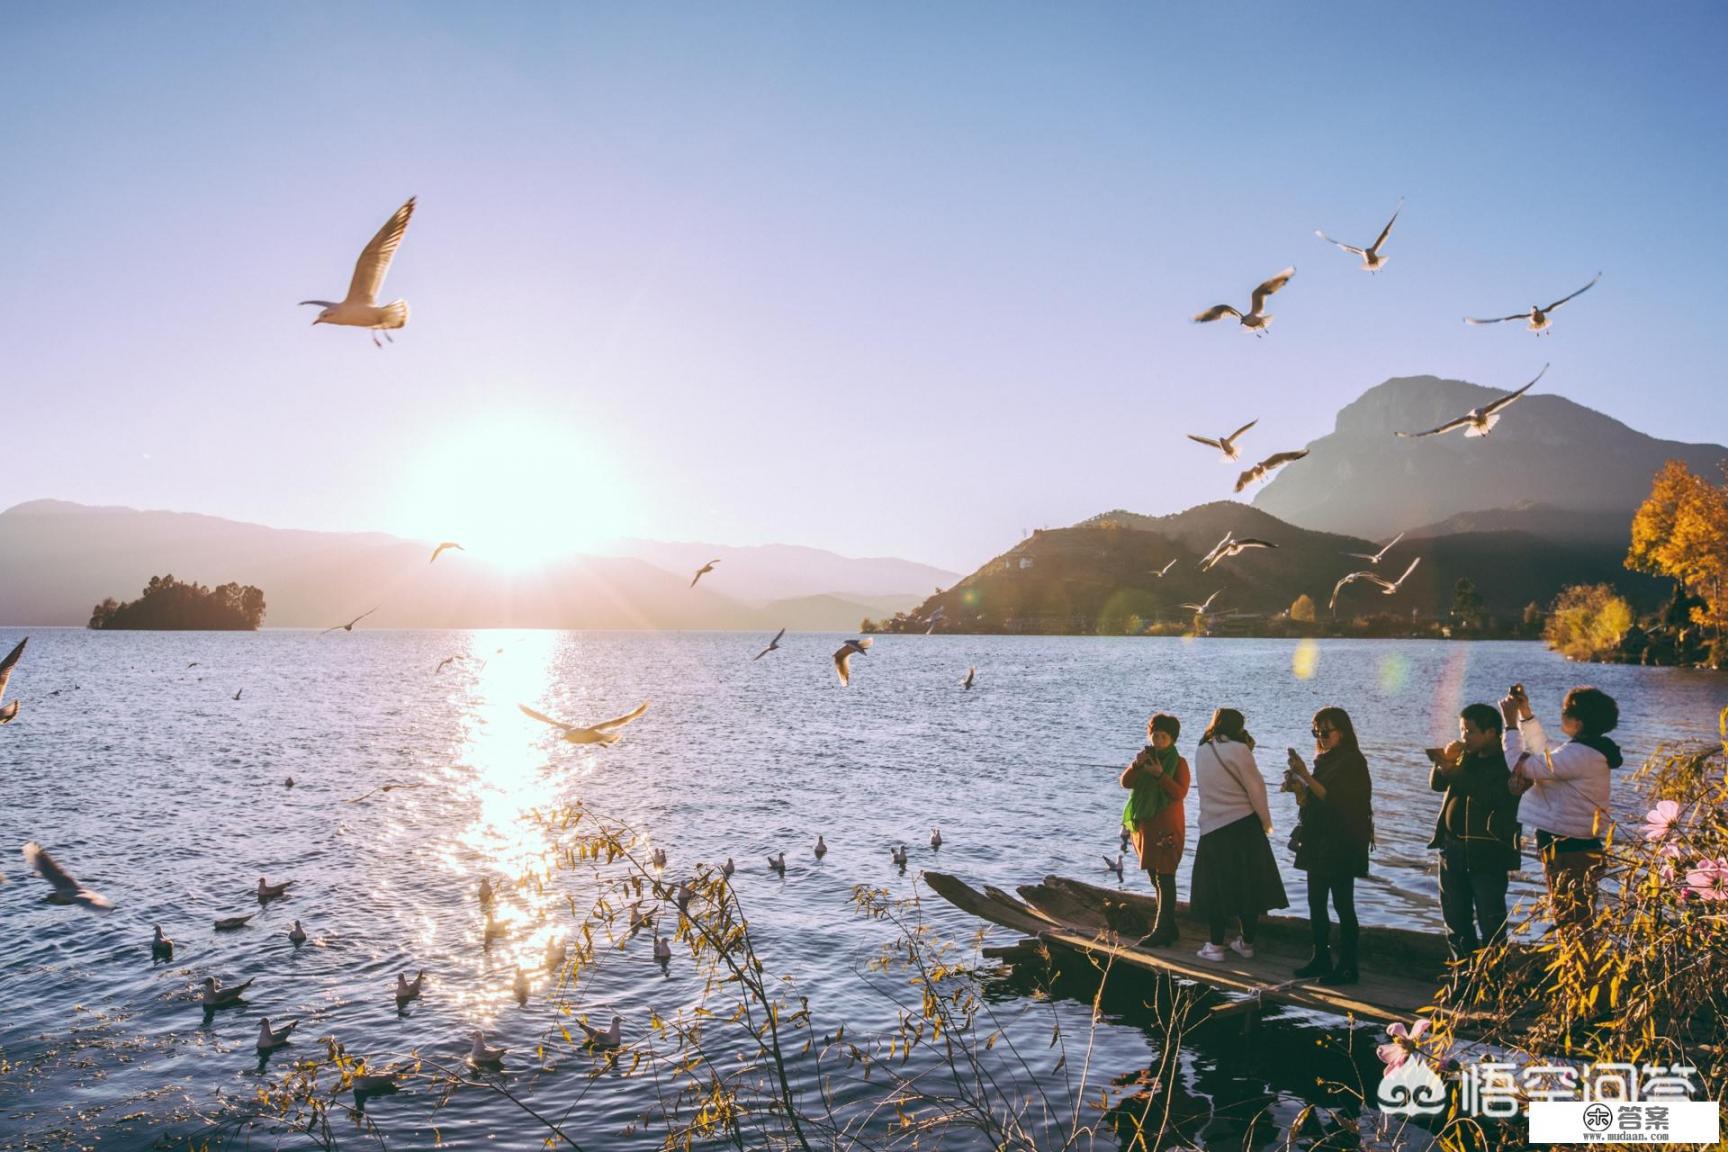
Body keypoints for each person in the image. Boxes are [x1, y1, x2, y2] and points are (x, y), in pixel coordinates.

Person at [1502, 685, 1622, 931]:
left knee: (1571, 918)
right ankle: (1578, 963)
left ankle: (1579, 965)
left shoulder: (1580, 755)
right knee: (1574, 913)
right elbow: (1544, 749)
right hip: (1574, 844)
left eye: (1565, 711)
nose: (1561, 715)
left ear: (1577, 722)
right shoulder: (1585, 750)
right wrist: (1525, 713)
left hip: (1568, 847)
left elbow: (1520, 766)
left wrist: (1511, 726)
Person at [1283, 707, 1374, 985]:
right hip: (1319, 840)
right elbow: (1315, 799)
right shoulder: (1325, 759)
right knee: (1316, 902)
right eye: (1316, 732)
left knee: (1343, 904)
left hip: (1342, 843)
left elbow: (1334, 798)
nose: (1320, 738)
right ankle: (1320, 957)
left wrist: (1305, 776)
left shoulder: (1352, 761)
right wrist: (1299, 788)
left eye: (1325, 732)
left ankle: (1347, 965)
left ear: (1342, 733)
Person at [1189, 707, 1288, 962]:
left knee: (1216, 890)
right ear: (1237, 728)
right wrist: (1267, 823)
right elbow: (1255, 789)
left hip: (1212, 827)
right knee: (1248, 888)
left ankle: (1215, 946)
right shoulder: (1240, 750)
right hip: (1243, 826)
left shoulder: (1201, 750)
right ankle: (1246, 943)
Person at [1427, 704, 1520, 960]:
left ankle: (1492, 985)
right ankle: (1463, 980)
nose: (1464, 737)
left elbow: (1489, 796)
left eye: (1470, 731)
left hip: (1486, 854)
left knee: (1491, 923)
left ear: (1491, 733)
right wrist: (1444, 763)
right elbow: (1437, 785)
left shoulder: (1506, 762)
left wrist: (1455, 771)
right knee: (1456, 921)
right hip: (1451, 849)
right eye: (1462, 730)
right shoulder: (1464, 756)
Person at [1120, 712, 1191, 945]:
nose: (1158, 741)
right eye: (1155, 736)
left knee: (1165, 876)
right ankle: (1169, 928)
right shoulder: (1145, 759)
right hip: (1146, 827)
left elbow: (1179, 792)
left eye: (1163, 737)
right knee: (1154, 875)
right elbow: (1126, 783)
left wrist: (1160, 775)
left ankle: (1162, 929)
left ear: (1172, 739)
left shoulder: (1178, 763)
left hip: (1167, 827)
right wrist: (1137, 765)